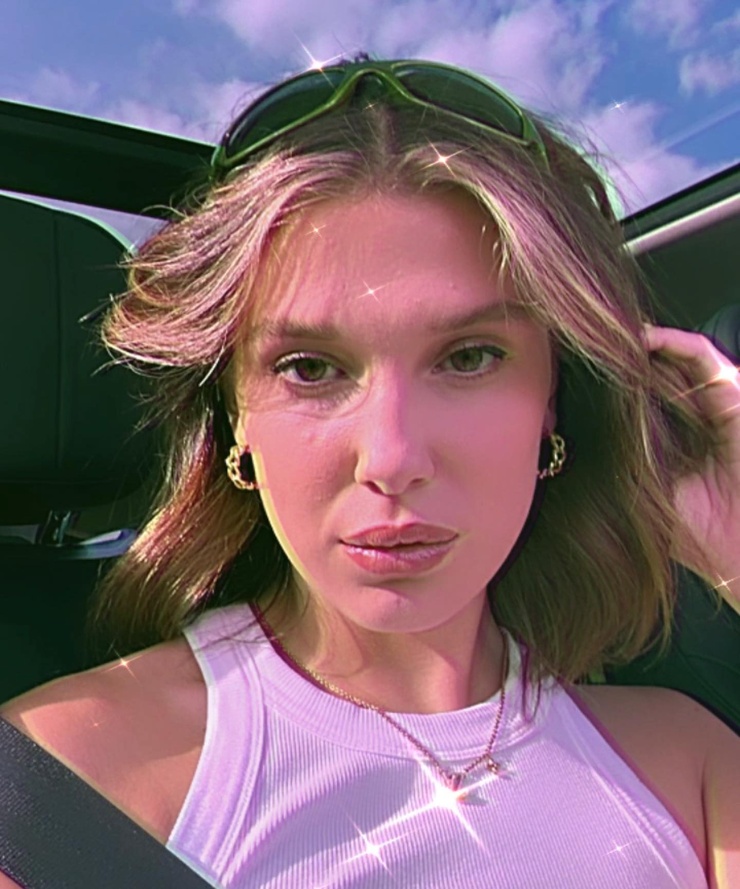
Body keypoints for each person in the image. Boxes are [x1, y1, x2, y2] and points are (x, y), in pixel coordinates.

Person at [2, 55, 739, 888]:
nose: (392, 458)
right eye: (310, 368)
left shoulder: (688, 766)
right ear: (235, 418)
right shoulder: (56, 783)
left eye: (470, 357)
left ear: (555, 403)